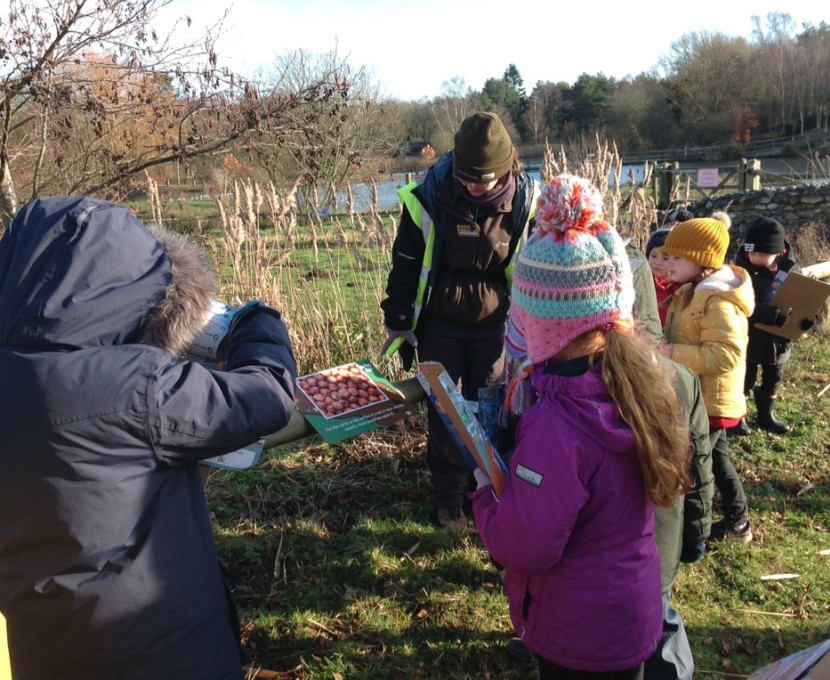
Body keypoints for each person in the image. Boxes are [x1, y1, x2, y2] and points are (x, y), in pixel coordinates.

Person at [0, 197, 298, 679]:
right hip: (160, 648)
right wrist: (254, 321)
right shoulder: (135, 386)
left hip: (40, 649)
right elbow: (267, 394)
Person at [472, 174, 693, 679]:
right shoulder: (639, 384)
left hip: (576, 632)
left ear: (537, 322)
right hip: (629, 614)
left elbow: (526, 544)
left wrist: (485, 492)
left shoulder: (558, 424)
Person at [380, 111, 538, 532]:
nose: (474, 187)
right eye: (467, 179)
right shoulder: (429, 196)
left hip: (495, 324)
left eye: (483, 181)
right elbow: (407, 260)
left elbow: (534, 268)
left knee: (491, 409)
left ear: (504, 171)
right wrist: (397, 314)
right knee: (446, 410)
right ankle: (449, 500)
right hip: (440, 322)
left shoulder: (525, 202)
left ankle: (488, 489)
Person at [659, 214, 755, 543]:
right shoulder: (691, 290)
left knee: (697, 465)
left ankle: (696, 529)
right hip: (701, 397)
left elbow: (726, 356)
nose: (668, 264)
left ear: (700, 260)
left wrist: (671, 352)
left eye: (676, 258)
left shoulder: (718, 302)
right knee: (716, 460)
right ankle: (738, 523)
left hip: (711, 401)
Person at [735, 216, 806, 434]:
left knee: (774, 375)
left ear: (779, 252)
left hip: (779, 339)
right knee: (745, 376)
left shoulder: (792, 271)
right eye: (752, 252)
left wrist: (805, 320)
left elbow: (802, 302)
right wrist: (762, 313)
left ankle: (767, 414)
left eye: (762, 254)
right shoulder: (740, 271)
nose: (755, 257)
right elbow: (736, 302)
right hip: (750, 335)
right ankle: (739, 415)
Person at [646, 227, 681, 328]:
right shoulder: (642, 284)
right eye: (653, 256)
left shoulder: (680, 289)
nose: (658, 263)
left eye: (665, 258)